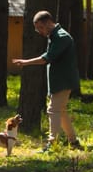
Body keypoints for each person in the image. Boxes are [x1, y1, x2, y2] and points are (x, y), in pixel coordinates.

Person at [12, 10, 82, 151]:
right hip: (58, 81)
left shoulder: (62, 37)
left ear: (48, 23)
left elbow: (46, 58)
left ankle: (52, 143)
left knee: (53, 110)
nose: (39, 31)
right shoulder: (55, 36)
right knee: (60, 111)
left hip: (63, 81)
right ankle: (73, 141)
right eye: (37, 28)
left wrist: (25, 62)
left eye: (40, 28)